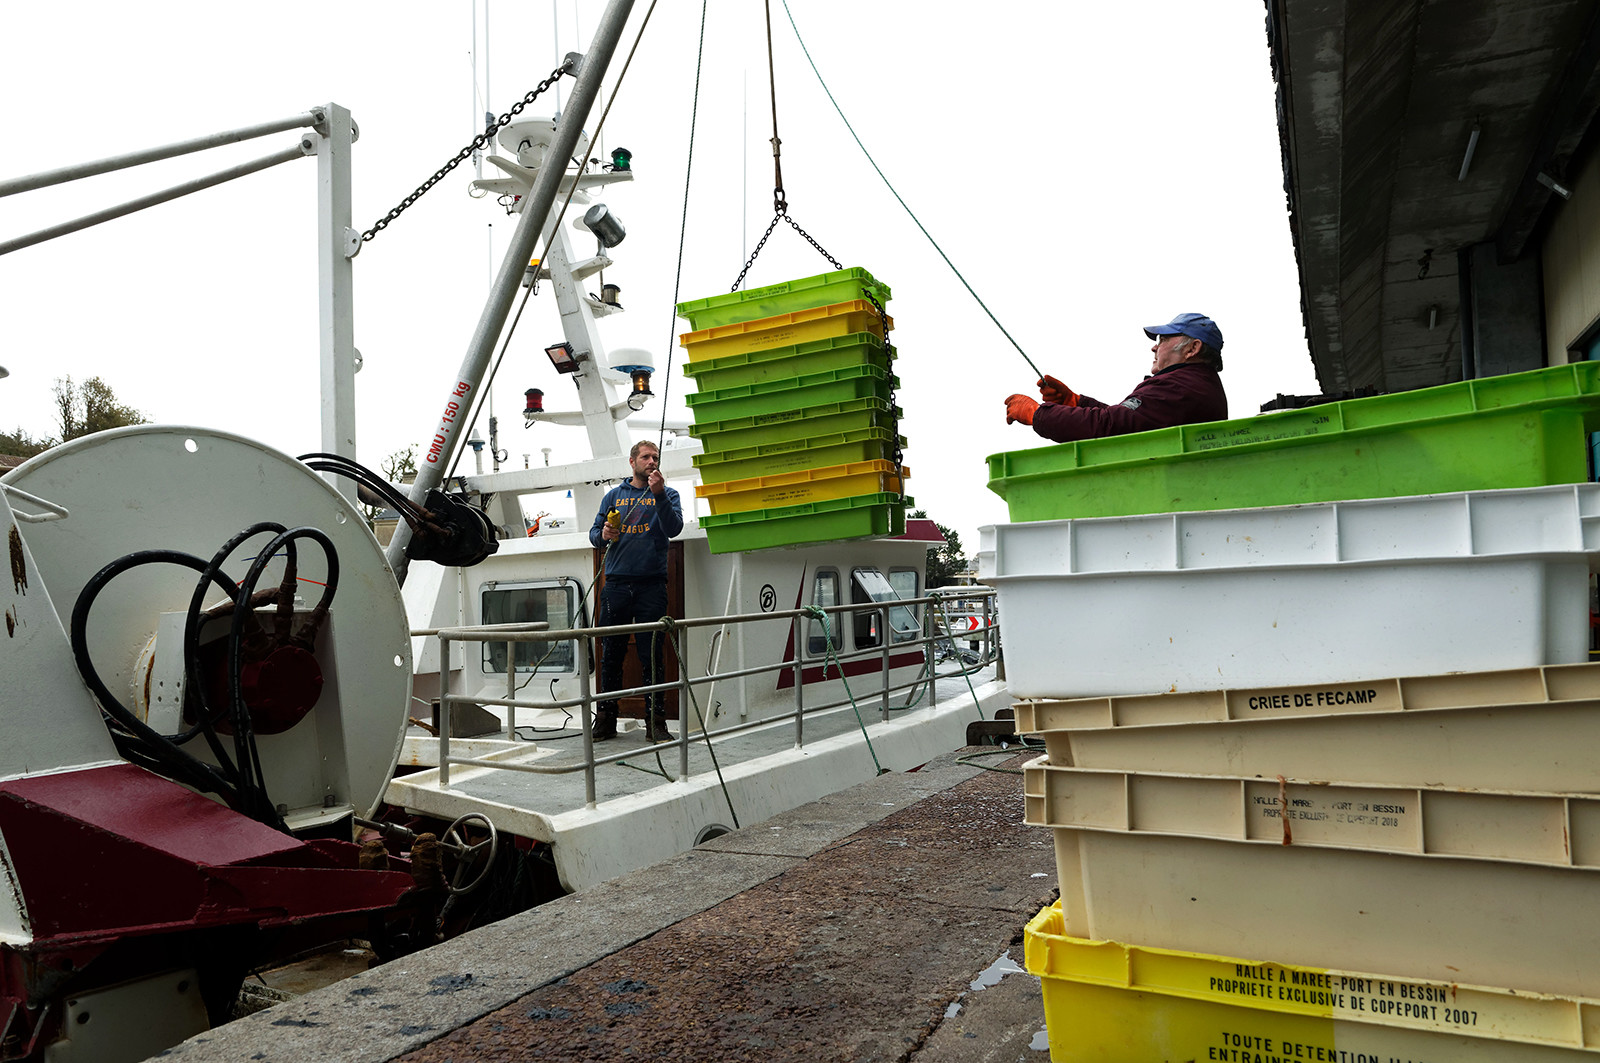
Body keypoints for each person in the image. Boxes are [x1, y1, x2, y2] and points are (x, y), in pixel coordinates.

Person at [1003, 313, 1228, 442]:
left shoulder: (1179, 388)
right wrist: (1075, 402)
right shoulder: (1193, 385)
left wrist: (1038, 415)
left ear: (1193, 349)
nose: (1154, 348)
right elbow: (1129, 422)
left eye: (1163, 340)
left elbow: (1108, 428)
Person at [588, 440, 684, 742]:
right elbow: (594, 535)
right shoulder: (614, 496)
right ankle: (606, 719)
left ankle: (656, 723)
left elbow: (674, 528)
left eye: (655, 457)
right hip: (616, 585)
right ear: (633, 462)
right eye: (645, 457)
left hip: (651, 586)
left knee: (652, 655)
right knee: (611, 655)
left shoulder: (668, 494)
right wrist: (603, 534)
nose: (651, 461)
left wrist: (658, 495)